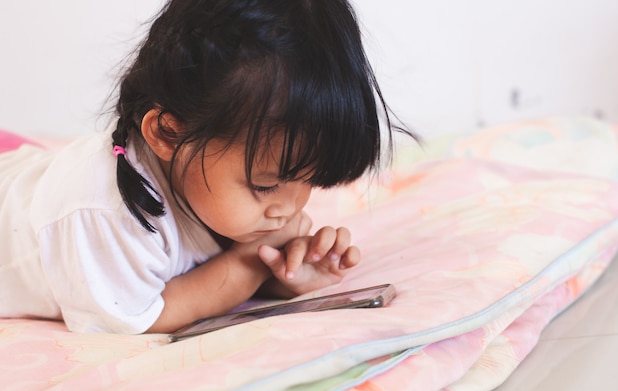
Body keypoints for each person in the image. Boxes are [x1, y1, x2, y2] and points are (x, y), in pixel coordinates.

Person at [0, 0, 415, 334]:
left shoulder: (212, 180)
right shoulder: (103, 213)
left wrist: (281, 274)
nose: (289, 209)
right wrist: (248, 262)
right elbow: (135, 318)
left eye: (307, 180)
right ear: (167, 134)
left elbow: (189, 269)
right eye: (265, 186)